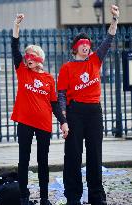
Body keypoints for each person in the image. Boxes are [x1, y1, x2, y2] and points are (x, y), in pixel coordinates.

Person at [57, 5, 119, 205]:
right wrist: (64, 120)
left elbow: (108, 40)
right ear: (75, 48)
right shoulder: (66, 68)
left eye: (88, 44)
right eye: (83, 44)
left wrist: (115, 19)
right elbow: (61, 95)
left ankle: (96, 196)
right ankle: (73, 197)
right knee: (73, 156)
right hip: (75, 112)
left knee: (95, 155)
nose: (87, 46)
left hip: (94, 112)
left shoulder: (95, 60)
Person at [11, 14, 69, 205]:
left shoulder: (49, 79)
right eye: (27, 55)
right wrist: (16, 26)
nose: (28, 58)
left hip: (44, 123)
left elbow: (53, 103)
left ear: (40, 59)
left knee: (43, 161)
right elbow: (14, 48)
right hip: (25, 122)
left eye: (32, 55)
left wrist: (63, 122)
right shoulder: (22, 71)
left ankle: (44, 198)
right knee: (23, 160)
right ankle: (23, 198)